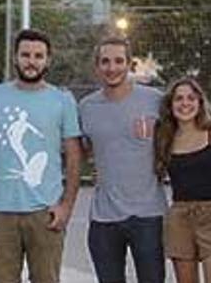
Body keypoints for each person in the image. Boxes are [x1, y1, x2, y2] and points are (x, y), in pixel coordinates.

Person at [0, 29, 81, 283]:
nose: (31, 61)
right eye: (26, 55)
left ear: (48, 60)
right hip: (0, 213)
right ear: (15, 58)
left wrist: (66, 206)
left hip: (45, 213)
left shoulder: (62, 100)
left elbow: (74, 155)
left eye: (38, 56)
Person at [79, 36, 167, 283]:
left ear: (130, 64)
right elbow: (79, 152)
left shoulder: (155, 100)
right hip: (104, 218)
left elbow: (180, 136)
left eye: (119, 61)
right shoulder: (86, 107)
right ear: (97, 67)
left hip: (148, 216)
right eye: (105, 61)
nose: (112, 67)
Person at [154, 77, 211, 283]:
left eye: (190, 98)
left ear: (199, 102)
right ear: (171, 105)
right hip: (180, 216)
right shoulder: (165, 138)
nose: (185, 103)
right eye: (179, 99)